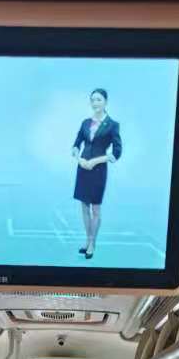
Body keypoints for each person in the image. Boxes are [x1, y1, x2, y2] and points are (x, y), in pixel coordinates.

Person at [71, 88, 122, 260]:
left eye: (99, 99)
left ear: (105, 102)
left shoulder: (112, 125)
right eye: (93, 100)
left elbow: (117, 152)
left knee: (96, 208)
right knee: (84, 207)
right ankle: (87, 240)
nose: (95, 103)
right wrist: (78, 158)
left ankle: (92, 243)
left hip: (98, 169)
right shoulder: (85, 123)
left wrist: (95, 161)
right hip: (82, 168)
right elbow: (76, 143)